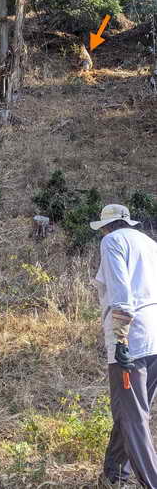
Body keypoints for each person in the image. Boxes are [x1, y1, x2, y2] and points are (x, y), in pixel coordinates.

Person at [90, 204, 157, 489]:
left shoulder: (112, 241)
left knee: (133, 417)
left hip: (132, 339)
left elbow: (121, 293)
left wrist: (121, 339)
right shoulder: (150, 243)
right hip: (154, 335)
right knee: (128, 409)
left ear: (106, 226)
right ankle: (114, 474)